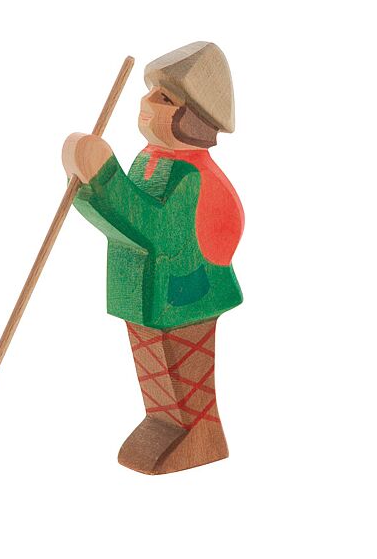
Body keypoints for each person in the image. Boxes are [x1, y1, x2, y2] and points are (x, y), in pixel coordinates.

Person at [62, 42, 244, 474]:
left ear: (193, 118)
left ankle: (198, 434)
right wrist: (87, 182)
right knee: (155, 371)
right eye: (149, 91)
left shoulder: (189, 174)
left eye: (164, 97)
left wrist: (103, 175)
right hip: (146, 289)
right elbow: (123, 221)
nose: (146, 102)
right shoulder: (151, 160)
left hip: (184, 294)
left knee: (182, 371)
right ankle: (165, 423)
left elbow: (154, 228)